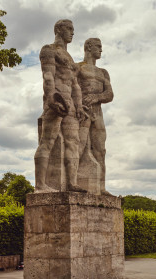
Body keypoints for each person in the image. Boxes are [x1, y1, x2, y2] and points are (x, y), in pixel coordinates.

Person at [34, 19, 87, 193]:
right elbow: (48, 76)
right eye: (69, 28)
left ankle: (72, 183)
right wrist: (51, 98)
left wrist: (78, 105)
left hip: (70, 103)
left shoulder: (70, 58)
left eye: (73, 29)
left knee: (73, 142)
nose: (73, 32)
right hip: (56, 99)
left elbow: (75, 84)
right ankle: (40, 185)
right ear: (58, 29)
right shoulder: (49, 49)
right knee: (47, 141)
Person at [77, 38, 114, 195]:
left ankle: (101, 187)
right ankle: (72, 183)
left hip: (97, 113)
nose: (101, 50)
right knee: (77, 146)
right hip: (81, 112)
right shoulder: (77, 68)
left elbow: (110, 94)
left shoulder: (103, 72)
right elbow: (72, 88)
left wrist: (96, 98)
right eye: (98, 46)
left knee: (100, 150)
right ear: (88, 47)